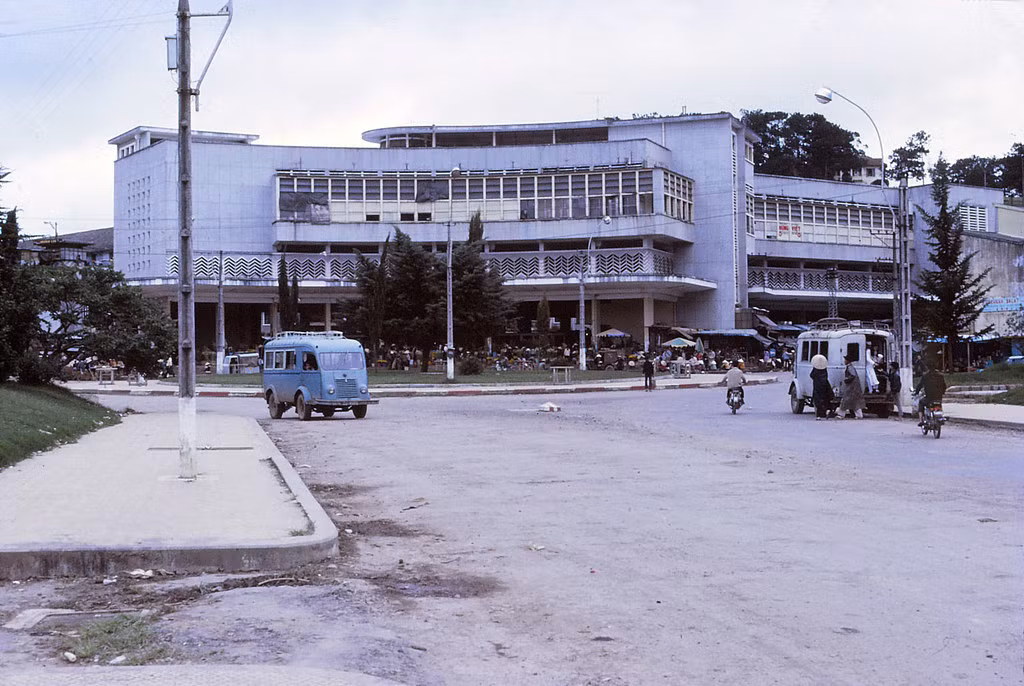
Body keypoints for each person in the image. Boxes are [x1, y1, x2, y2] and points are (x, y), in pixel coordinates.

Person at [913, 362, 947, 426]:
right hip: (938, 397)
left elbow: (919, 386)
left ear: (927, 367)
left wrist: (916, 392)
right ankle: (940, 416)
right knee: (939, 404)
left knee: (921, 402)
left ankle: (921, 420)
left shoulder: (926, 376)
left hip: (929, 397)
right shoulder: (940, 376)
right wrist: (942, 393)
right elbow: (944, 386)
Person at [838, 354, 864, 419]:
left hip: (851, 387)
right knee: (854, 401)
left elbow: (853, 375)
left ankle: (841, 414)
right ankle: (859, 415)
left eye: (845, 360)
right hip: (853, 387)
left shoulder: (850, 367)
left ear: (847, 361)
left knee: (845, 400)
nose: (844, 361)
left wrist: (846, 379)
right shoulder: (850, 367)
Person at [809, 354, 833, 420]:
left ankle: (819, 415)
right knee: (825, 399)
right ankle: (827, 411)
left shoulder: (815, 369)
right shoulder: (824, 369)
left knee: (817, 400)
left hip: (817, 386)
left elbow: (811, 375)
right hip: (825, 385)